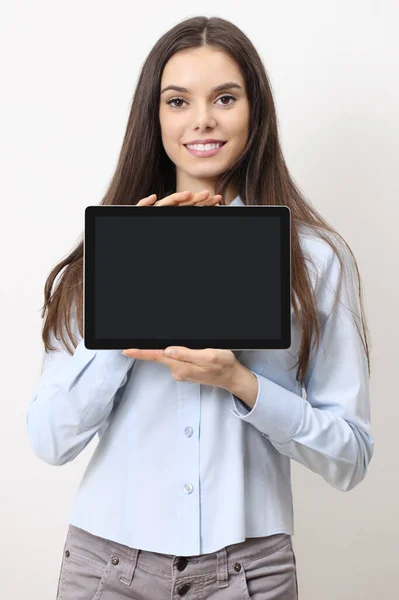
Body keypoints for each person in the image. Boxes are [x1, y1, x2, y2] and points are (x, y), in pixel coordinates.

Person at [26, 15, 373, 600]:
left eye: (226, 98)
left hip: (249, 574)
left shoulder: (315, 259)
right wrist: (129, 287)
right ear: (154, 116)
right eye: (178, 100)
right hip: (108, 569)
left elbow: (350, 456)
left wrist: (244, 385)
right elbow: (50, 438)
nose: (202, 120)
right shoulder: (105, 253)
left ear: (254, 111)